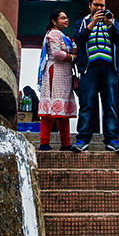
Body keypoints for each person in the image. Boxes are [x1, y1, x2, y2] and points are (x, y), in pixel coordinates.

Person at [72, 0, 119, 153]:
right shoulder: (82, 22)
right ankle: (83, 139)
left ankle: (112, 140)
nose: (100, 8)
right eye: (96, 5)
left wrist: (110, 25)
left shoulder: (112, 21)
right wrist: (92, 24)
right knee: (87, 104)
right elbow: (78, 39)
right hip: (90, 69)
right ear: (90, 5)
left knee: (110, 104)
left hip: (109, 68)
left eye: (102, 5)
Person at [37, 9, 78, 151]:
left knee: (63, 108)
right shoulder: (54, 33)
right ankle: (45, 142)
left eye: (67, 18)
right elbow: (56, 53)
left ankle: (65, 143)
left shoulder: (62, 35)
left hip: (64, 72)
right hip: (55, 72)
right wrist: (74, 58)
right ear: (54, 21)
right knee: (51, 107)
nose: (66, 20)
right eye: (62, 18)